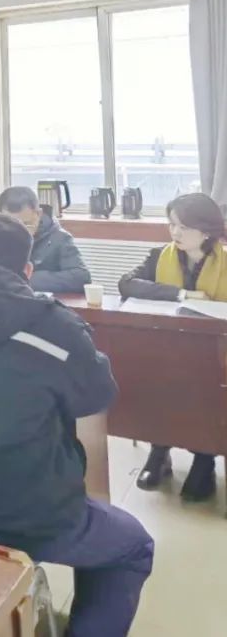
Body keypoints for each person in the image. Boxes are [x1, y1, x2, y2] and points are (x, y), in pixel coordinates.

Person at [0, 213, 153, 637]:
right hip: (27, 508)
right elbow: (96, 396)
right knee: (133, 546)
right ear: (28, 269)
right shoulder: (56, 326)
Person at [119, 192, 227, 501]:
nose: (175, 232)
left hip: (215, 354)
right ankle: (159, 450)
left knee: (206, 384)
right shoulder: (160, 256)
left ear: (205, 230)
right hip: (167, 349)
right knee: (153, 378)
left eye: (184, 227)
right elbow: (126, 284)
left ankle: (204, 458)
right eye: (172, 225)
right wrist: (182, 294)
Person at [0, 186, 91, 293]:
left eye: (26, 224)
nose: (18, 231)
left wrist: (26, 279)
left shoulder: (59, 238)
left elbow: (81, 277)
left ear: (38, 214)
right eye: (11, 224)